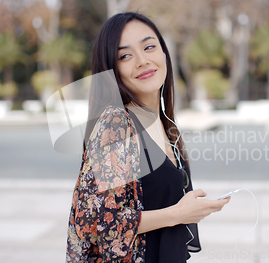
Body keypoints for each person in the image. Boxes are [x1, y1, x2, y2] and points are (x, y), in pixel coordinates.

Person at [66, 12, 231, 262]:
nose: (142, 60)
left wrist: (189, 210)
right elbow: (96, 223)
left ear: (164, 53)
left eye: (149, 47)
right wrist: (179, 213)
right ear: (112, 69)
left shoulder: (164, 123)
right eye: (125, 55)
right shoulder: (116, 123)